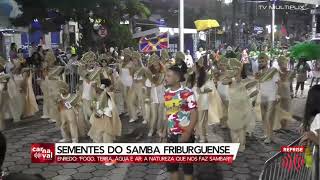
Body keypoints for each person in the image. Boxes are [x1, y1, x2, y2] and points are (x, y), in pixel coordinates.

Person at [164, 64, 198, 180]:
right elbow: (168, 113)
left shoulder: (187, 93)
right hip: (171, 136)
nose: (166, 78)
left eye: (168, 76)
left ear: (177, 78)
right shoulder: (167, 92)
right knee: (172, 168)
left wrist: (188, 132)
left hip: (185, 136)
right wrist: (165, 132)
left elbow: (194, 113)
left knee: (187, 168)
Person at [88, 79, 122, 143]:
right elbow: (93, 105)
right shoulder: (97, 95)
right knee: (98, 138)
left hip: (106, 119)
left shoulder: (109, 94)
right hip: (98, 119)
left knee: (107, 138)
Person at [256, 53, 280, 144]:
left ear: (267, 61)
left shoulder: (273, 71)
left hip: (271, 96)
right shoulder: (260, 73)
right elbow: (258, 84)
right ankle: (266, 134)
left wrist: (278, 95)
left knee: (269, 117)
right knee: (263, 117)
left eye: (262, 61)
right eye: (259, 61)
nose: (260, 63)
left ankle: (270, 136)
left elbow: (278, 83)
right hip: (263, 96)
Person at [144, 54, 166, 137]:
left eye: (156, 62)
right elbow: (148, 87)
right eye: (153, 62)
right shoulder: (149, 73)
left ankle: (159, 130)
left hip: (161, 95)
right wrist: (147, 97)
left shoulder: (163, 72)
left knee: (160, 114)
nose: (155, 65)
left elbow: (165, 83)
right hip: (153, 96)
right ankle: (151, 129)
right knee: (154, 115)